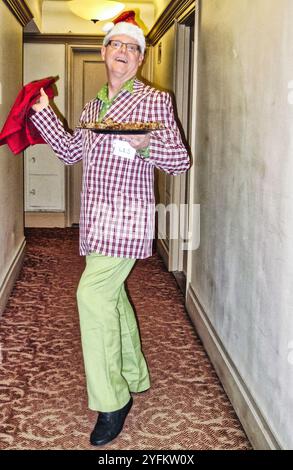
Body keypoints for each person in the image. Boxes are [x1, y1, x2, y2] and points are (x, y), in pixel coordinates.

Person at [31, 10, 190, 446]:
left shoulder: (154, 101)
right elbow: (68, 152)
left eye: (131, 48)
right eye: (115, 45)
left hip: (127, 215)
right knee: (112, 296)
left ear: (139, 59)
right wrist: (45, 113)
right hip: (96, 218)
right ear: (104, 53)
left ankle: (113, 399)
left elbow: (180, 162)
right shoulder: (92, 105)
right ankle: (136, 373)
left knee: (91, 293)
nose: (122, 53)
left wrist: (146, 143)